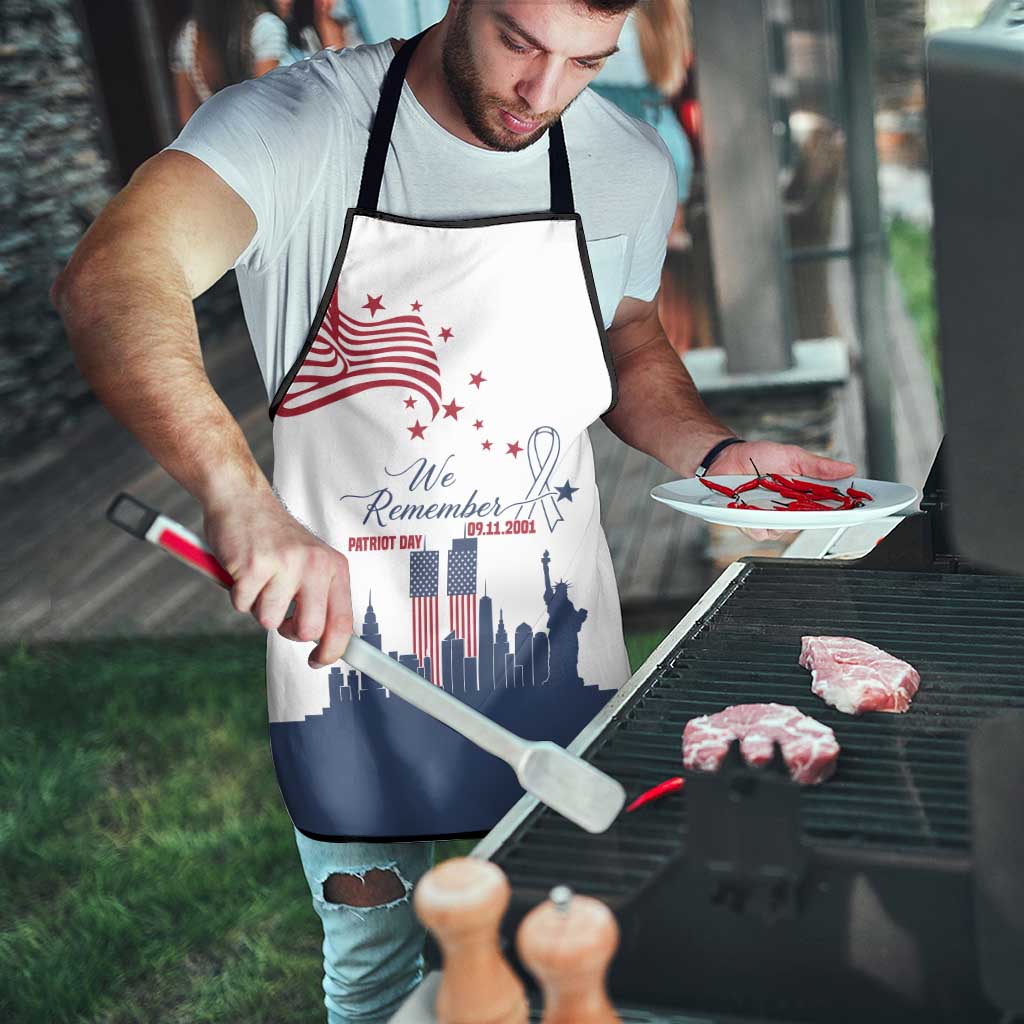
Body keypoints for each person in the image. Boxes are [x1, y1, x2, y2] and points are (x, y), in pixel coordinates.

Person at [53, 2, 856, 1020]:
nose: (543, 94)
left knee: (575, 956)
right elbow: (113, 275)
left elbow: (628, 340)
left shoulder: (624, 161)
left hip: (554, 647)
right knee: (377, 977)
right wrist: (237, 494)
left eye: (585, 62)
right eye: (520, 42)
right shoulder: (297, 126)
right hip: (350, 659)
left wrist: (717, 449)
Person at [169, 0, 289, 127]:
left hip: (215, 140)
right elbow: (266, 107)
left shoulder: (188, 37)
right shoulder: (266, 27)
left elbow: (187, 120)